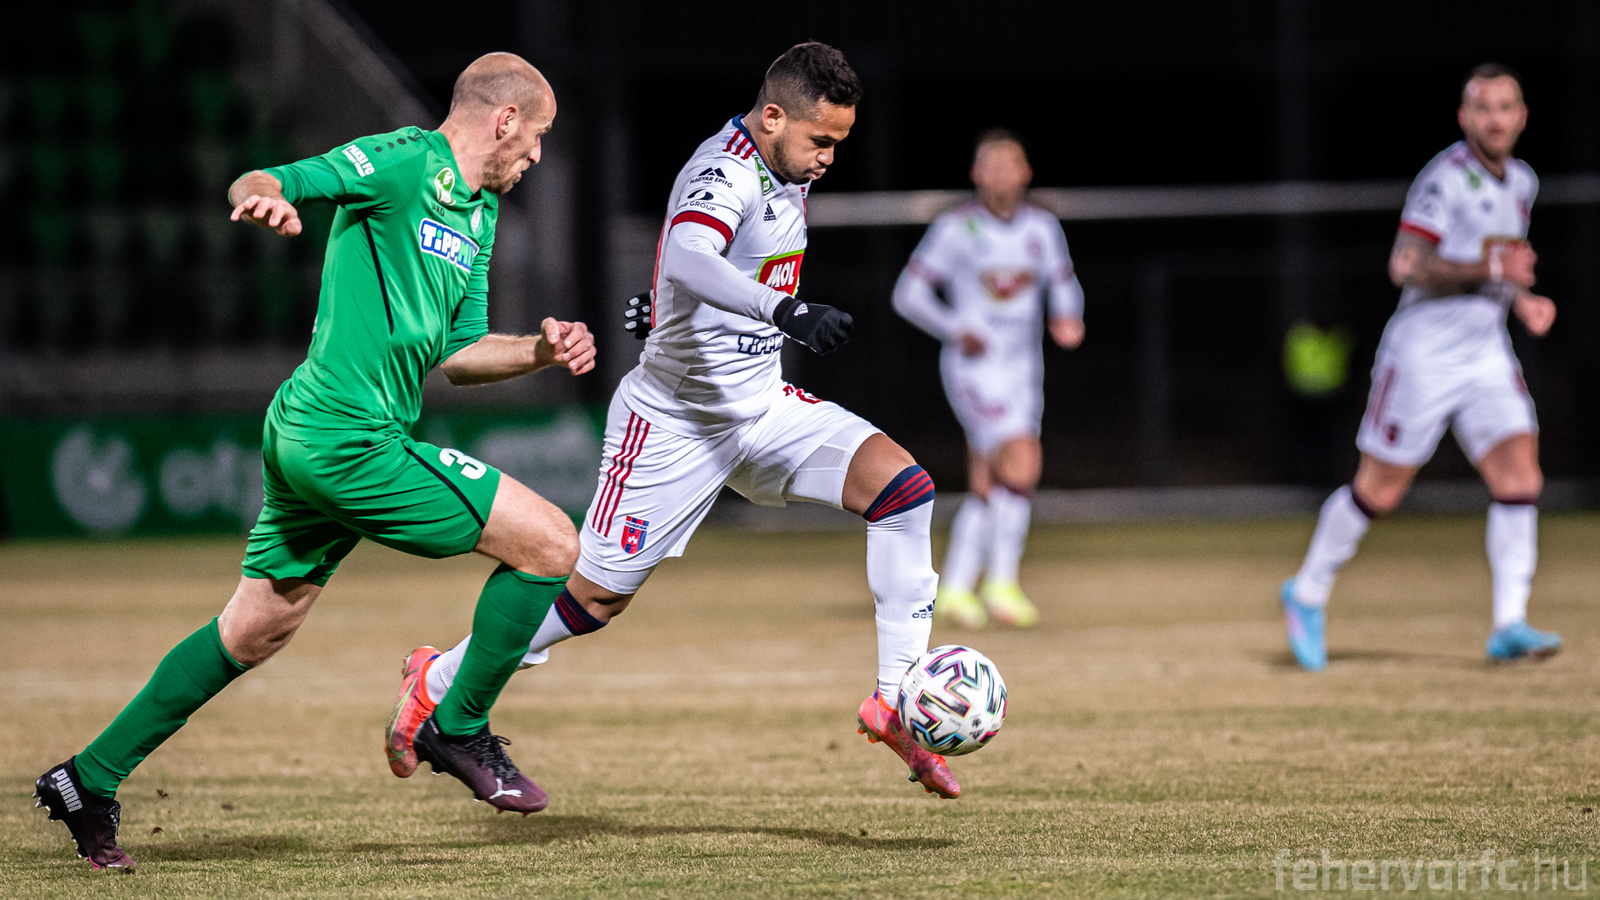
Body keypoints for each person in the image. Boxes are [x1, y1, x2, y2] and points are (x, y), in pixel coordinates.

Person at [33, 53, 597, 872]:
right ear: (504, 119)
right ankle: (454, 721)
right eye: (537, 136)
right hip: (345, 436)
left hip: (316, 431)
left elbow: (461, 352)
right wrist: (262, 197)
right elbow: (270, 177)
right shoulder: (402, 160)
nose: (537, 155)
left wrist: (538, 352)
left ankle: (87, 778)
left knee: (255, 629)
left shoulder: (478, 213)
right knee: (550, 544)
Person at [385, 42, 965, 803]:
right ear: (772, 116)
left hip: (759, 408)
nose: (828, 157)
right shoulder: (724, 168)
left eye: (838, 143)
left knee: (904, 492)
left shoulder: (786, 170)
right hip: (675, 423)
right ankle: (438, 678)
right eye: (820, 139)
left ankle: (894, 701)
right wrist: (783, 310)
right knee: (594, 598)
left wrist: (669, 309)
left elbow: (705, 269)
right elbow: (692, 256)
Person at [1280, 63, 1560, 671]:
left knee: (1520, 476)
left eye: (1505, 107)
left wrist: (1523, 300)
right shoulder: (1445, 179)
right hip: (1424, 353)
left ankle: (1508, 623)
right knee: (1380, 489)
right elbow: (1406, 264)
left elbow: (1501, 262)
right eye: (1483, 108)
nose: (1495, 119)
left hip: (1485, 351)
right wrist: (1493, 272)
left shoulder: (1522, 182)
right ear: (1464, 117)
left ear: (1521, 117)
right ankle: (1307, 591)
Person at [891, 130, 1085, 629]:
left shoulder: (1042, 227)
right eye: (990, 166)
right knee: (1022, 462)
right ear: (976, 175)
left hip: (1025, 368)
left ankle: (956, 588)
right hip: (975, 368)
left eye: (1009, 165)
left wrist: (1068, 316)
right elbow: (909, 294)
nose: (1000, 176)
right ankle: (1002, 582)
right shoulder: (957, 228)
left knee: (991, 482)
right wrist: (957, 328)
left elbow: (1062, 280)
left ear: (1026, 173)